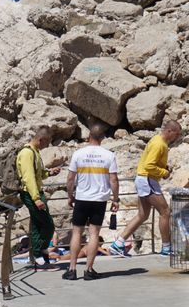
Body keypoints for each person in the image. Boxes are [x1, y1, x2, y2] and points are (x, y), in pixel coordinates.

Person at [111, 120, 184, 257]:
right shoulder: (159, 144)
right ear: (169, 131)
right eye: (177, 134)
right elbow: (150, 166)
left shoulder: (156, 140)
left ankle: (118, 243)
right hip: (147, 180)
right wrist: (164, 173)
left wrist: (162, 168)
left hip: (144, 179)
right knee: (165, 212)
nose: (177, 137)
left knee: (143, 215)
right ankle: (166, 248)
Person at [64, 124, 119, 281]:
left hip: (81, 198)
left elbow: (70, 178)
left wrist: (70, 195)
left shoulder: (78, 154)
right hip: (99, 200)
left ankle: (72, 269)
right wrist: (115, 199)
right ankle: (88, 270)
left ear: (89, 136)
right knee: (94, 234)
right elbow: (113, 180)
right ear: (102, 138)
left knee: (76, 232)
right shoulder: (109, 155)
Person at [17, 126, 61, 269]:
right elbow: (28, 177)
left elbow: (38, 174)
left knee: (37, 225)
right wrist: (36, 199)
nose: (47, 146)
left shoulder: (35, 152)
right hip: (31, 194)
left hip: (36, 193)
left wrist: (49, 173)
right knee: (48, 225)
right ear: (41, 140)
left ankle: (40, 257)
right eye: (47, 143)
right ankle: (39, 252)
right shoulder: (27, 154)